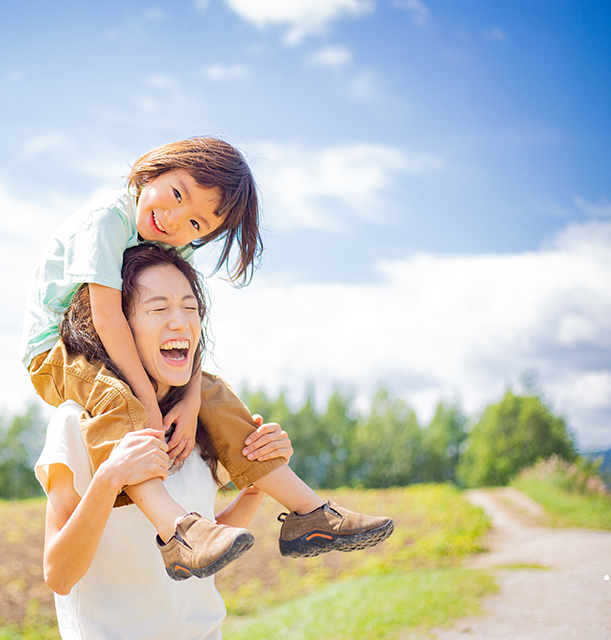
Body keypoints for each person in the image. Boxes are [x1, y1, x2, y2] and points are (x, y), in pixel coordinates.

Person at [22, 138, 393, 580]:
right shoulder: (107, 219)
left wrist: (193, 398)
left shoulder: (173, 246)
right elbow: (107, 317)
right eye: (177, 195)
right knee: (117, 397)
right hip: (56, 349)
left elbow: (195, 332)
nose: (174, 219)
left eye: (195, 222)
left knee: (211, 387)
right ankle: (177, 531)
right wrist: (145, 395)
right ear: (156, 170)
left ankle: (308, 511)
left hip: (109, 347)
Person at [36, 243, 295, 639]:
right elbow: (59, 575)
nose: (180, 322)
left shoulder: (195, 423)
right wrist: (110, 480)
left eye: (190, 308)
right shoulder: (76, 423)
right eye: (159, 309)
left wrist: (256, 486)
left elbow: (198, 547)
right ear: (118, 327)